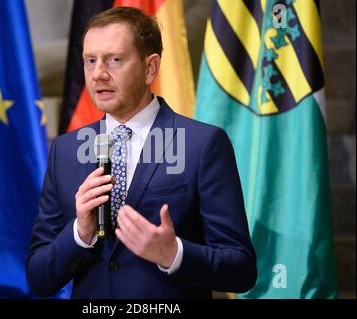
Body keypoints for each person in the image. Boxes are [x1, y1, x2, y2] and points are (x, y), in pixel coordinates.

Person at [26, 6, 256, 298]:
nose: (98, 74)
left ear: (150, 68)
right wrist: (79, 233)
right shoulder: (65, 150)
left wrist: (173, 254)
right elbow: (38, 278)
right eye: (90, 61)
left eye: (114, 60)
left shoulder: (203, 144)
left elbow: (241, 269)